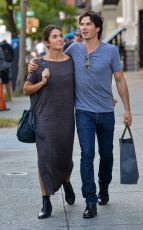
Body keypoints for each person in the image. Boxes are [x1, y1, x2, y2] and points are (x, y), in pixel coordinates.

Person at [28, 11, 132, 219]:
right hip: (83, 112)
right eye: (81, 24)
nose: (83, 28)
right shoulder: (73, 48)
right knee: (87, 155)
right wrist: (32, 63)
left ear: (98, 28)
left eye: (88, 24)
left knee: (107, 155)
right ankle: (90, 200)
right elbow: (52, 55)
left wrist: (127, 109)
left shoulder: (111, 51)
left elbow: (120, 80)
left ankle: (103, 189)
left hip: (106, 111)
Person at [24, 25, 75, 219]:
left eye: (61, 36)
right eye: (55, 37)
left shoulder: (72, 62)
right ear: (47, 42)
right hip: (44, 118)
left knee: (65, 158)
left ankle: (65, 180)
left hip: (66, 118)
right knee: (45, 159)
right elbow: (26, 89)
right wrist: (42, 82)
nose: (60, 39)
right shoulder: (38, 64)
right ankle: (46, 201)